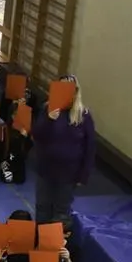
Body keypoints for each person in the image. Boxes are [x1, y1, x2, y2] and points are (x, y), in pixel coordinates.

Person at [31, 75, 95, 225]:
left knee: (61, 211)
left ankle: (56, 244)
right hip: (46, 169)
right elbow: (37, 135)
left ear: (75, 92)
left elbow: (90, 147)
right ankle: (40, 240)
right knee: (42, 207)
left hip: (68, 173)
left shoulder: (83, 115)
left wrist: (83, 175)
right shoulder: (47, 109)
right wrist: (48, 120)